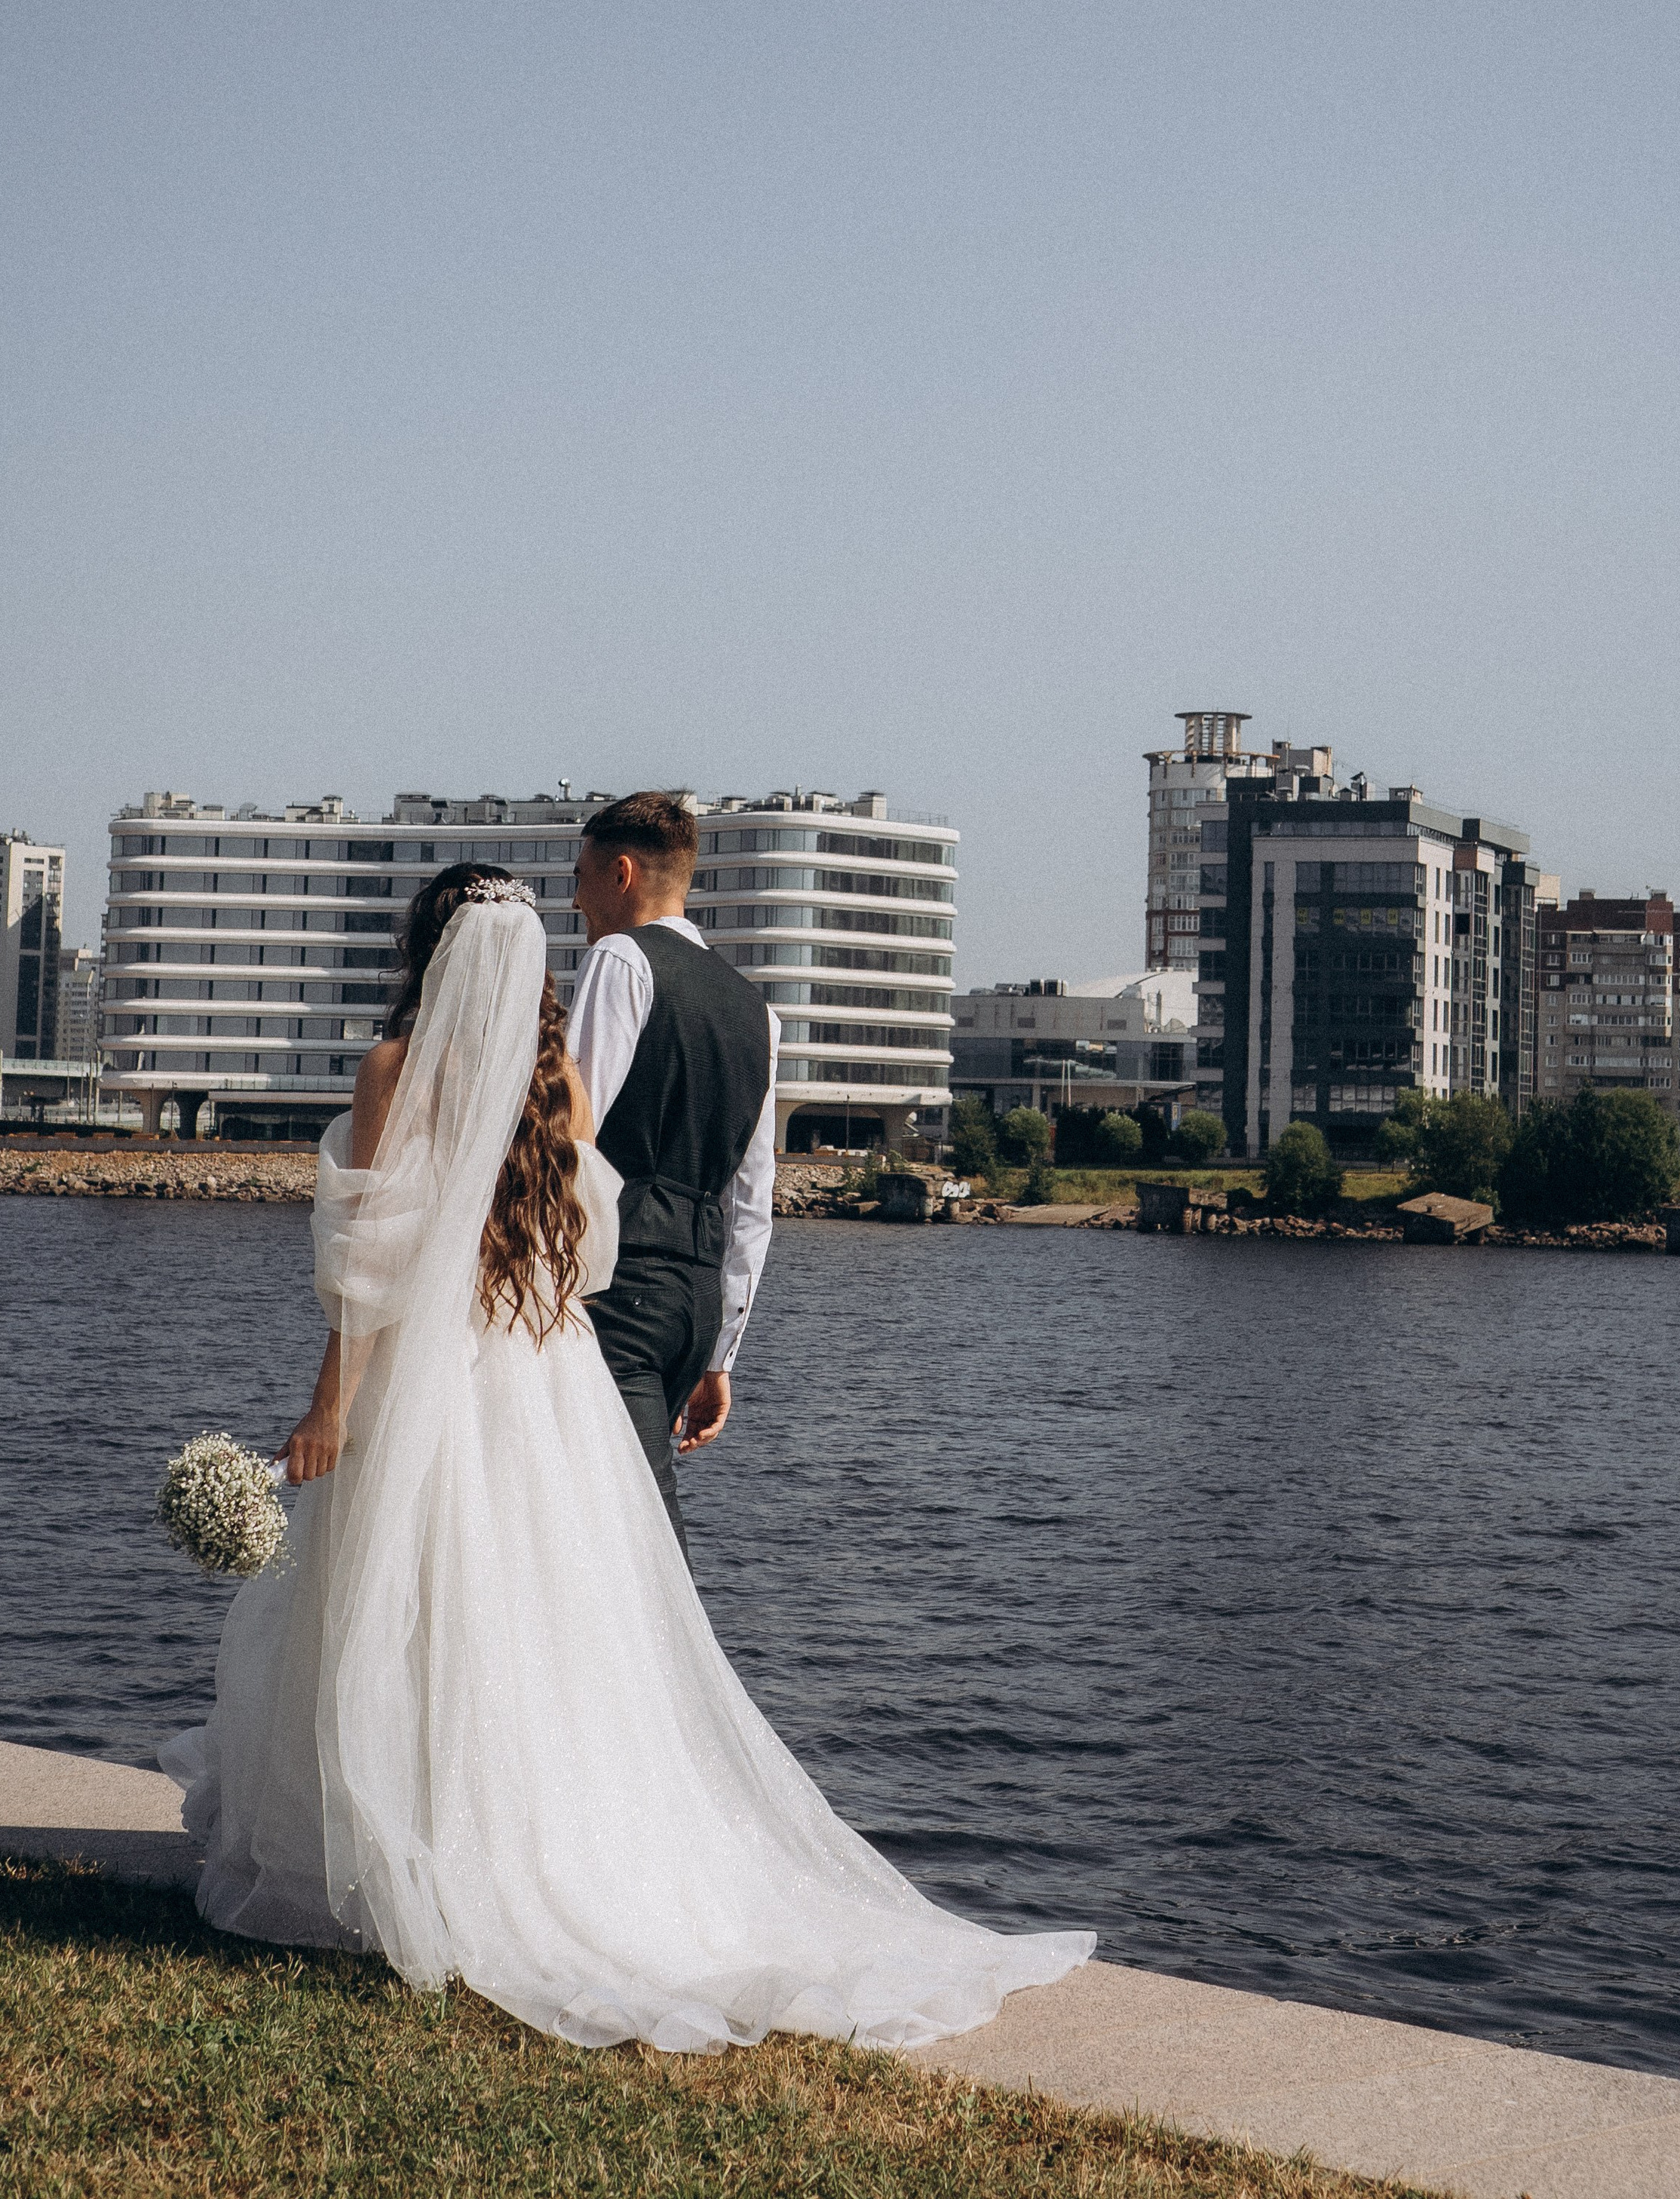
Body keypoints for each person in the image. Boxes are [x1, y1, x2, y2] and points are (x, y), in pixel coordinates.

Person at [161, 867, 1092, 2052]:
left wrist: (326, 1406)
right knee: (538, 1618)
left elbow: (370, 1266)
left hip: (436, 1373)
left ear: (424, 955)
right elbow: (585, 1253)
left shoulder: (398, 1071)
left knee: (408, 1605)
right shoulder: (559, 1088)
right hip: (547, 1374)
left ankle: (418, 1853)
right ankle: (521, 1844)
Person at [565, 793, 772, 1563]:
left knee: (635, 1531)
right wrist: (721, 1354)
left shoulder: (622, 959)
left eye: (580, 877)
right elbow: (753, 1201)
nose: (576, 899)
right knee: (613, 1516)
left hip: (622, 1286)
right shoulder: (757, 1011)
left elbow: (572, 1137)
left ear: (620, 872)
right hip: (692, 1302)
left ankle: (675, 1682)